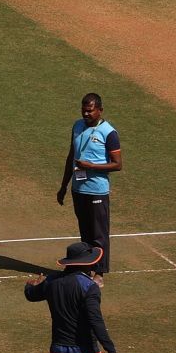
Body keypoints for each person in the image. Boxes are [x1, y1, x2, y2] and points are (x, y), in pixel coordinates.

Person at [57, 92, 121, 274]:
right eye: (84, 110)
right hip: (78, 189)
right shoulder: (77, 126)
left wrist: (91, 166)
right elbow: (71, 156)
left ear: (100, 110)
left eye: (90, 111)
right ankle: (85, 269)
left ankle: (99, 273)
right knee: (85, 233)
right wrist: (63, 186)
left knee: (99, 235)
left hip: (97, 191)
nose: (86, 114)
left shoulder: (109, 133)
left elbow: (118, 164)